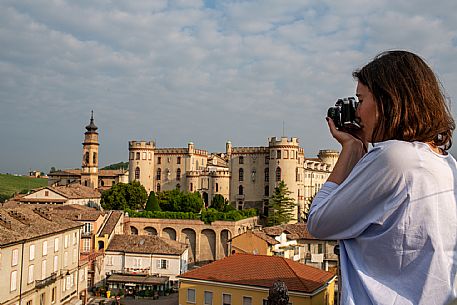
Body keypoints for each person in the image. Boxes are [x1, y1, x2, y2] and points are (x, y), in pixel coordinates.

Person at [307, 50, 457, 305]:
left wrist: (351, 149)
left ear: (388, 101)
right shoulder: (444, 163)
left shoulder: (395, 157)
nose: (358, 113)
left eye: (361, 100)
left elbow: (319, 222)